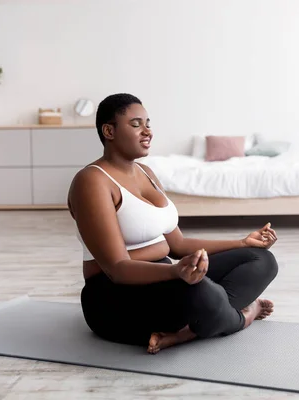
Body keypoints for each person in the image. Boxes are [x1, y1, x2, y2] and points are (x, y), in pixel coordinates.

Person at [67, 93, 279, 354]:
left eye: (148, 123)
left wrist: (242, 242)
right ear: (109, 130)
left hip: (168, 279)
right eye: (136, 124)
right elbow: (117, 269)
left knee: (260, 260)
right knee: (204, 293)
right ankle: (244, 315)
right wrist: (176, 272)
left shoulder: (147, 172)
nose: (147, 132)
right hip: (114, 297)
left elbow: (178, 244)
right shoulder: (92, 181)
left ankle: (185, 333)